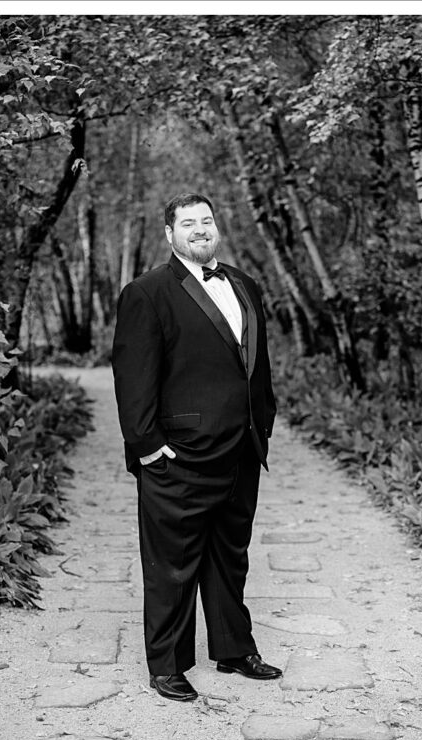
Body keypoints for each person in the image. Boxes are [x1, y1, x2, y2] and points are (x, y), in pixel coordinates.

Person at [111, 192, 281, 702]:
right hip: (177, 457)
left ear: (217, 227)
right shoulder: (147, 293)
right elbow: (133, 377)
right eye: (188, 223)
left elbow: (257, 362)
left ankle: (233, 648)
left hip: (241, 451)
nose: (200, 229)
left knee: (231, 556)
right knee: (173, 564)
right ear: (170, 234)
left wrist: (263, 423)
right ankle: (167, 665)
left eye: (207, 220)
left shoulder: (245, 284)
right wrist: (146, 447)